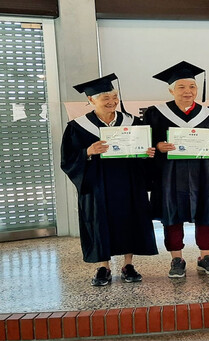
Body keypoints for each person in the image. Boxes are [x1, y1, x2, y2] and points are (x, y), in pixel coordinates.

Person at [61, 73, 158, 286]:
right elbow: (67, 160)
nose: (111, 102)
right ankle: (103, 267)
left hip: (128, 182)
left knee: (129, 218)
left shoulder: (132, 121)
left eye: (114, 97)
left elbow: (142, 152)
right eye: (105, 98)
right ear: (91, 100)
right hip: (97, 184)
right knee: (99, 221)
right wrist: (87, 151)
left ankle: (128, 264)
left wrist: (147, 153)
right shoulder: (77, 126)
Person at [143, 61, 209, 278]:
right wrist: (158, 146)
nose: (188, 92)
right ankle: (176, 259)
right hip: (170, 173)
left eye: (192, 87)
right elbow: (146, 143)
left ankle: (205, 256)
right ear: (171, 90)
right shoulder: (155, 114)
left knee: (205, 210)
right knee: (172, 213)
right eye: (181, 87)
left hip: (203, 173)